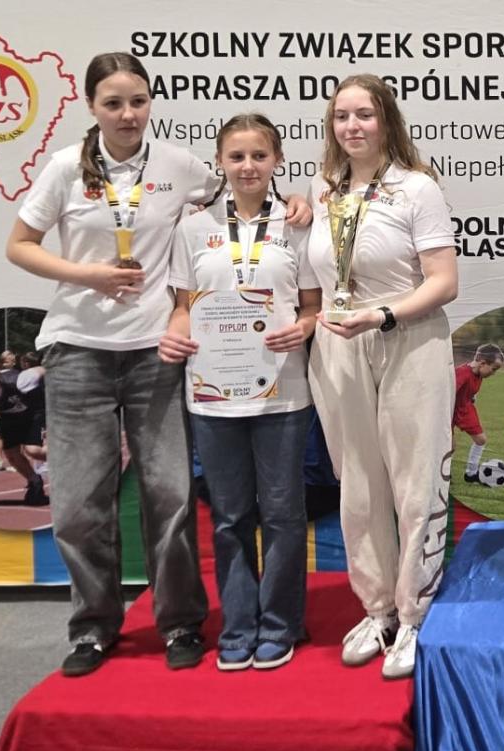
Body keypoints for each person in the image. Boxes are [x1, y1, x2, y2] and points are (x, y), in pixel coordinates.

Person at [3, 53, 302, 677]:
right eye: (113, 103)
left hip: (157, 351)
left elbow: (244, 190)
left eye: (137, 101)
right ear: (92, 106)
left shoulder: (176, 164)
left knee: (169, 498)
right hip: (79, 348)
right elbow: (19, 246)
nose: (127, 114)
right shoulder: (64, 167)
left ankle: (180, 623)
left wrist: (293, 203)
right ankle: (93, 627)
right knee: (79, 505)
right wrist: (85, 273)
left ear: (150, 103)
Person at [305, 74, 458, 679]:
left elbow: (444, 282)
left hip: (406, 337)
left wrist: (384, 314)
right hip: (338, 346)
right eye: (342, 116)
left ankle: (415, 613)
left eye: (364, 114)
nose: (352, 126)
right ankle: (377, 610)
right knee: (359, 485)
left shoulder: (417, 188)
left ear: (386, 120)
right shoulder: (321, 189)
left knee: (415, 484)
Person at [159, 113, 320, 672]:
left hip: (283, 391)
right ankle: (237, 624)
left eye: (258, 155)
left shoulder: (297, 223)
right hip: (212, 392)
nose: (248, 166)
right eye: (236, 156)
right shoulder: (193, 227)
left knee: (282, 513)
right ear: (220, 163)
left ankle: (279, 623)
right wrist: (176, 333)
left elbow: (312, 305)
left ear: (277, 160)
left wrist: (304, 328)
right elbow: (182, 307)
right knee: (229, 516)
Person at [0, 356, 47, 505]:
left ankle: (70, 455)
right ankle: (35, 481)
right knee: (12, 455)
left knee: (33, 450)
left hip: (34, 412)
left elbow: (45, 369)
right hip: (10, 417)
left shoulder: (19, 379)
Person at [455, 343, 504, 482]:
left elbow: (470, 390)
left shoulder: (479, 374)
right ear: (482, 363)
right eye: (493, 369)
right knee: (449, 447)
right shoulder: (462, 373)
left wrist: (472, 396)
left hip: (465, 408)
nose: (493, 373)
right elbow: (448, 393)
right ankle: (443, 477)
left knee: (481, 440)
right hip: (449, 411)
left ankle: (471, 474)